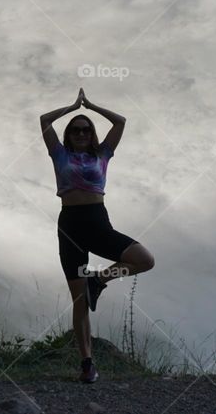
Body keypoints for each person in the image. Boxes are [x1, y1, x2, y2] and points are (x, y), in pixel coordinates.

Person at [39, 88, 155, 383]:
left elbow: (120, 122)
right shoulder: (59, 153)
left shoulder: (102, 153)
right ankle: (87, 363)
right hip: (70, 227)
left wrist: (90, 106)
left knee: (144, 259)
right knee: (79, 301)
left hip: (97, 222)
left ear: (92, 134)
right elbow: (43, 121)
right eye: (76, 130)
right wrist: (70, 108)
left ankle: (98, 280)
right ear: (69, 134)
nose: (80, 133)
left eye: (85, 129)